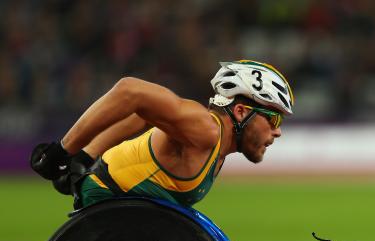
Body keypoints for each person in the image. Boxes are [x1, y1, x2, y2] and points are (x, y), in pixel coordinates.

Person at [29, 60, 294, 209]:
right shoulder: (206, 130)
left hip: (118, 204)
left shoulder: (213, 142)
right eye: (273, 118)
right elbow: (129, 91)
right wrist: (63, 151)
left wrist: (86, 155)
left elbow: (143, 116)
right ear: (240, 111)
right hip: (109, 205)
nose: (278, 131)